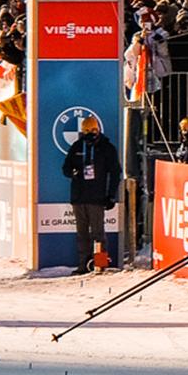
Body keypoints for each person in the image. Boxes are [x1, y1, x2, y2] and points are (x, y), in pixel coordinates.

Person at [62, 115, 121, 274]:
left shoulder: (107, 148)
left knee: (98, 233)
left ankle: (100, 264)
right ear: (82, 131)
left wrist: (111, 195)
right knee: (82, 234)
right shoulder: (77, 146)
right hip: (79, 197)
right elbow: (66, 168)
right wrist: (73, 172)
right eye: (87, 130)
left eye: (94, 130)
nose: (91, 133)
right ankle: (83, 265)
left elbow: (115, 173)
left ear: (99, 130)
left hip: (97, 197)